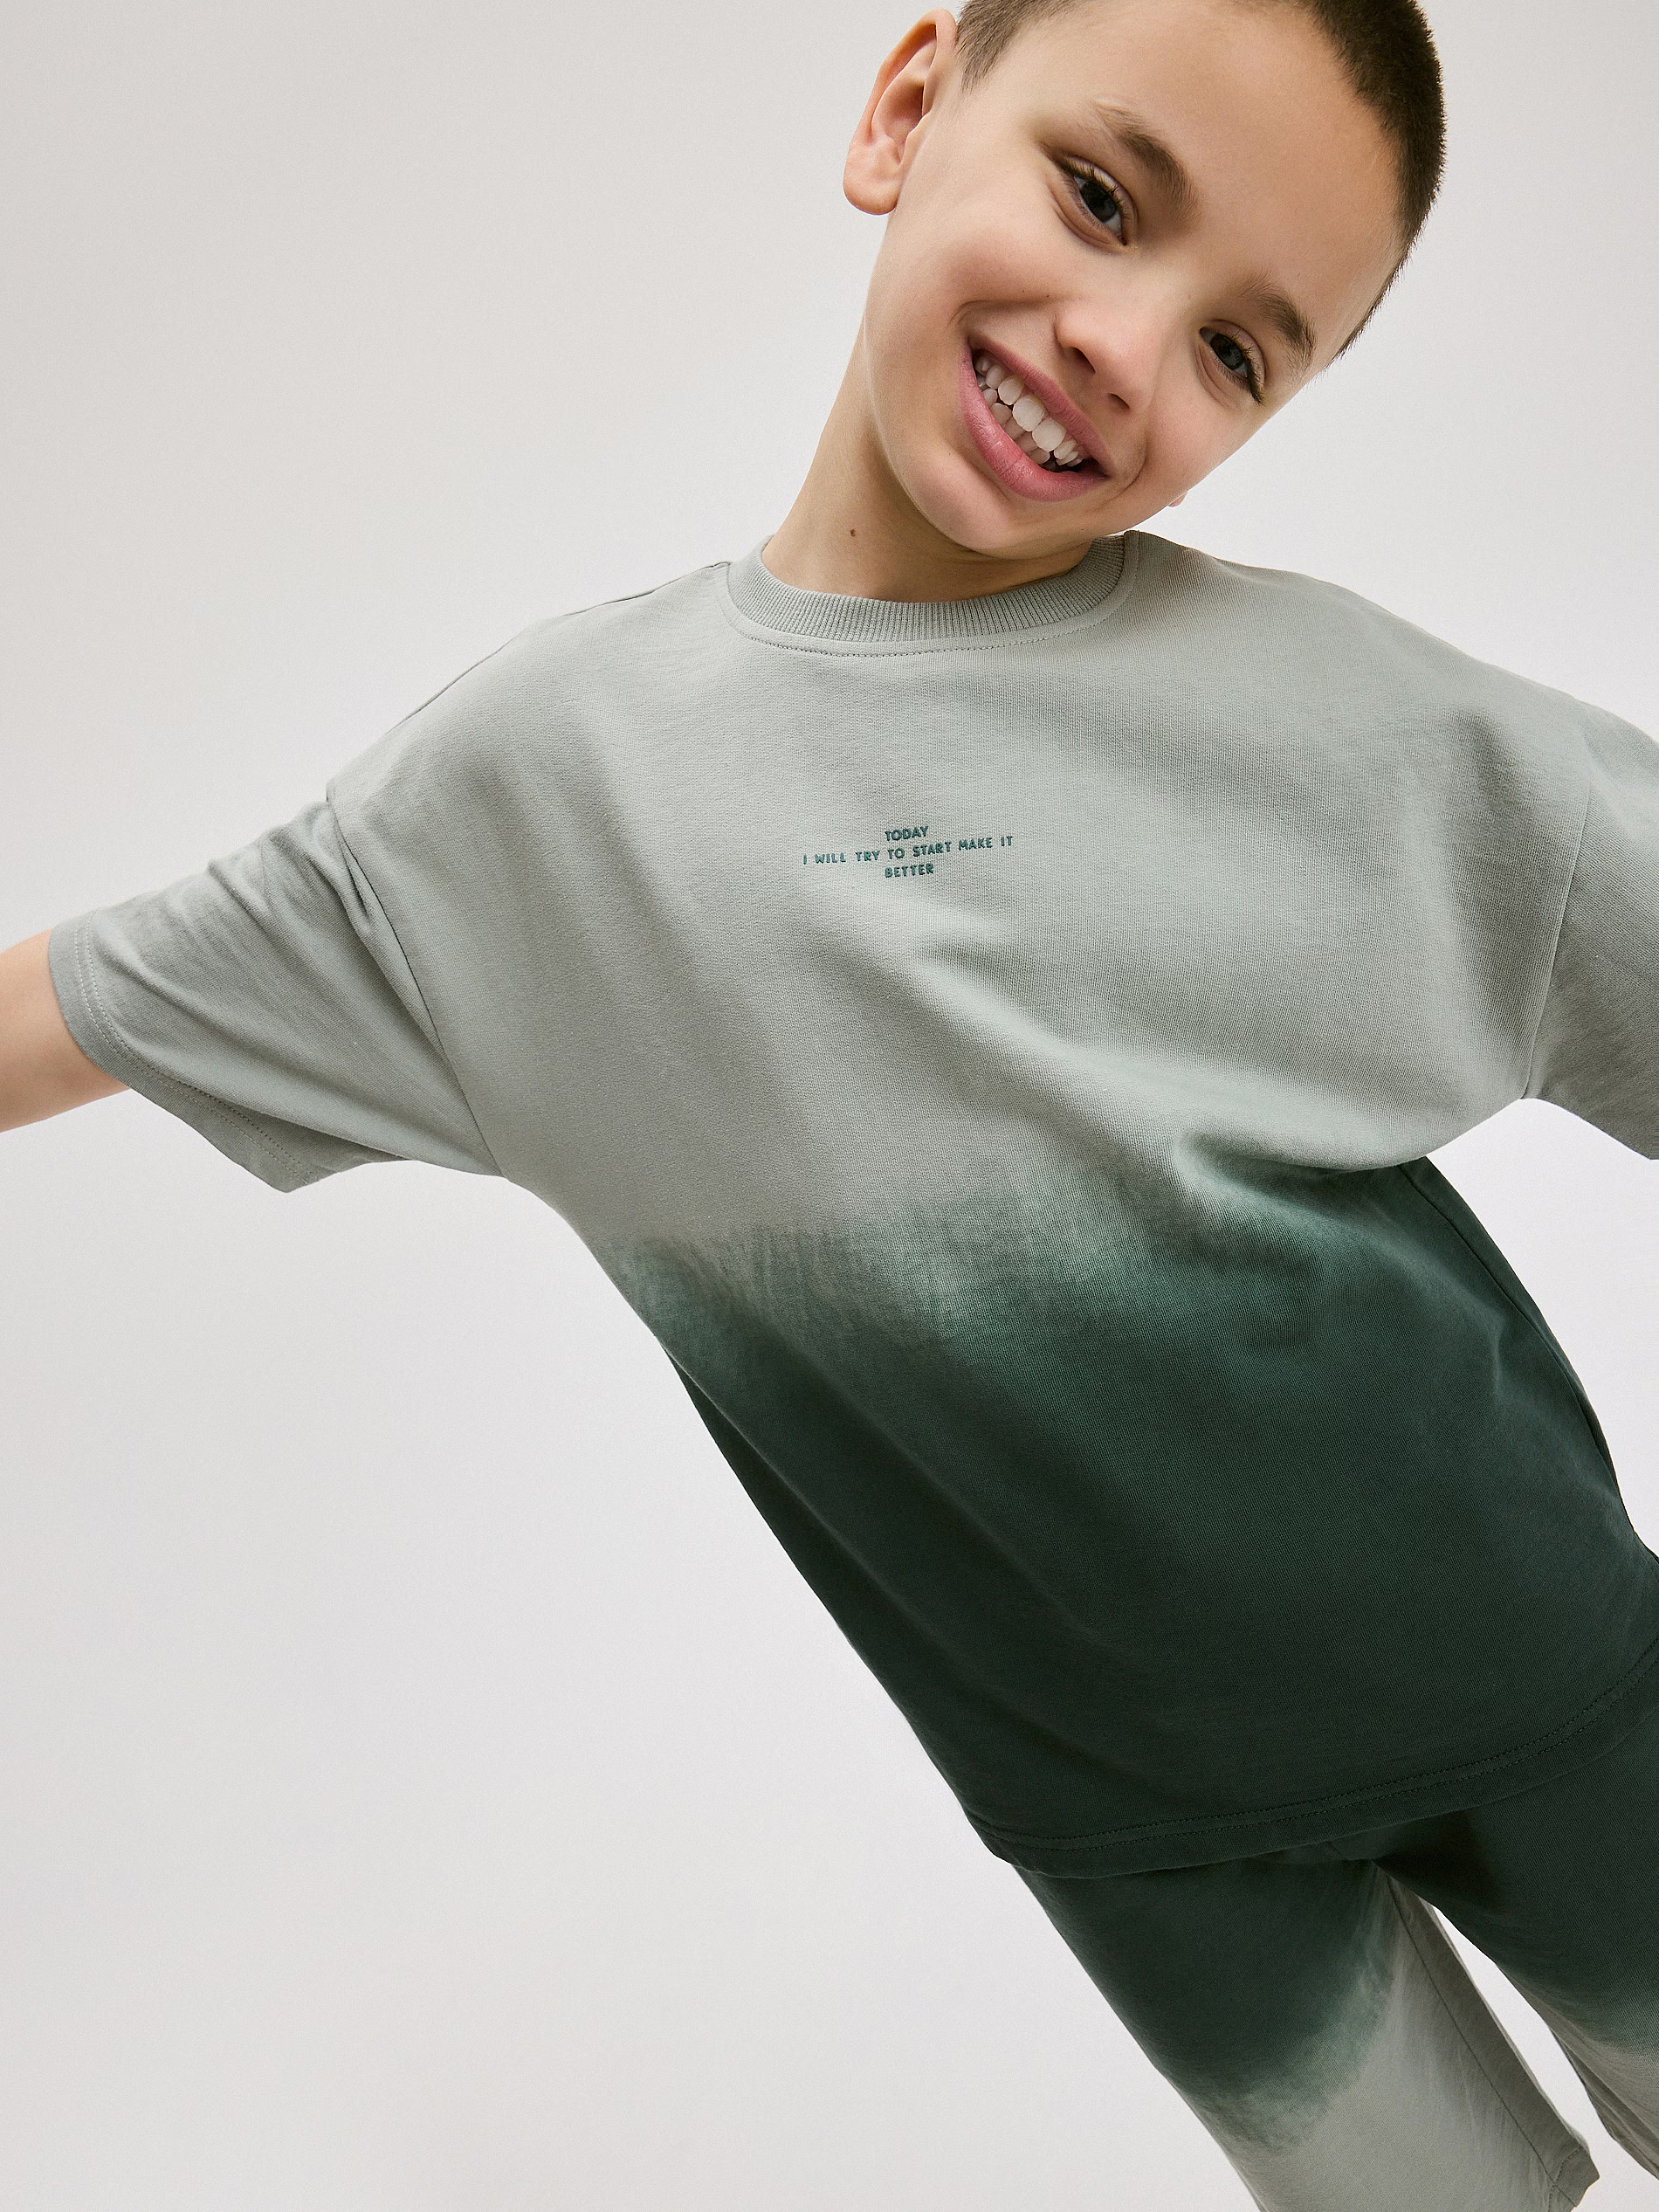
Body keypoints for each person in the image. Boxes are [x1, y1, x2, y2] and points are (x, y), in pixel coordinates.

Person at [3, 0, 1656, 2202]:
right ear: (903, 108)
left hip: (1573, 1694)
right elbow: (70, 1010)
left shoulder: (1360, 736)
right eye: (1100, 197)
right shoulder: (527, 812)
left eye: (1235, 350)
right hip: (1134, 1845)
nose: (1119, 348)